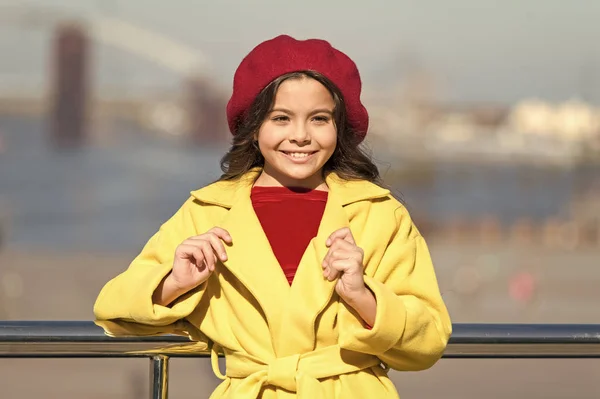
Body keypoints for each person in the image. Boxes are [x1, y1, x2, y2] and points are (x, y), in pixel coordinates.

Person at [93, 34, 452, 399]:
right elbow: (112, 310)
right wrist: (175, 282)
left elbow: (429, 340)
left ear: (338, 129)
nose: (300, 136)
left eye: (319, 119)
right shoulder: (206, 212)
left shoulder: (379, 214)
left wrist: (365, 296)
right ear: (253, 129)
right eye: (281, 118)